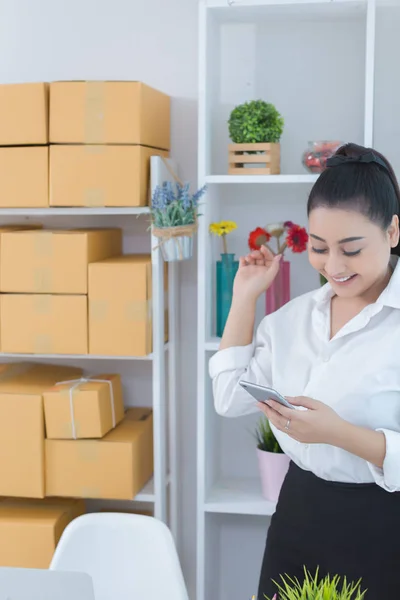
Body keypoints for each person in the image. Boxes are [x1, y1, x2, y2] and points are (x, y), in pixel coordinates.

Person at [209, 143, 400, 599]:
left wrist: (338, 432)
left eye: (351, 249)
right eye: (319, 248)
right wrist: (244, 298)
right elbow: (230, 398)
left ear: (393, 231)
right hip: (299, 516)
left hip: (383, 528)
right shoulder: (292, 320)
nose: (333, 266)